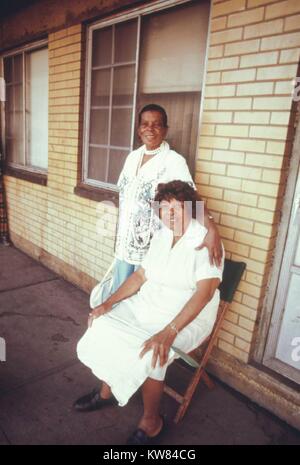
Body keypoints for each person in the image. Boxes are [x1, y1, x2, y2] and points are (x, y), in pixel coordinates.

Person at [75, 181, 224, 445]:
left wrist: (169, 332)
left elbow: (204, 294)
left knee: (153, 352)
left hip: (186, 318)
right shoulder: (162, 235)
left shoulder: (205, 241)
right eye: (164, 208)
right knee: (102, 323)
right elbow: (141, 276)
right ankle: (107, 391)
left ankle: (152, 421)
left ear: (191, 209)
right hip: (149, 304)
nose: (170, 214)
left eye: (177, 208)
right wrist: (107, 304)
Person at [112, 104, 222, 293]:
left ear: (165, 130)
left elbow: (191, 200)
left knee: (141, 296)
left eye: (157, 124)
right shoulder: (132, 158)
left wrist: (212, 228)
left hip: (152, 247)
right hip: (124, 245)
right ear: (139, 129)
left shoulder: (173, 161)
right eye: (145, 124)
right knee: (118, 294)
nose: (150, 129)